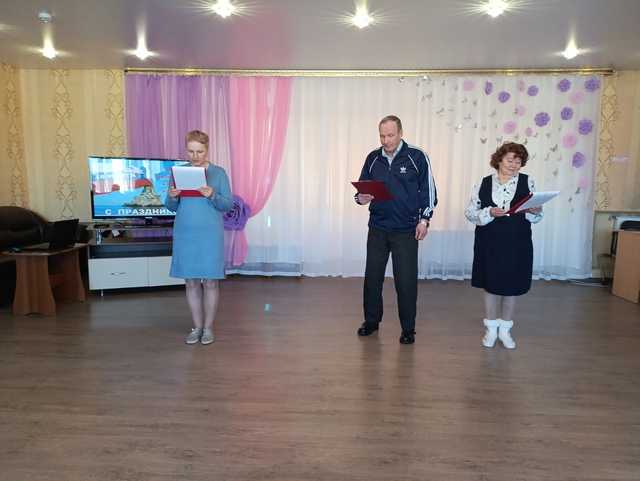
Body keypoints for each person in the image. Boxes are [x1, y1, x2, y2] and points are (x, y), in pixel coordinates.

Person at [355, 115, 437, 344]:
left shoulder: (417, 157)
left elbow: (429, 192)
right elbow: (361, 192)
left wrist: (424, 220)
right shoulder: (373, 158)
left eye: (390, 135)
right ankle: (371, 322)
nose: (386, 140)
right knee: (372, 278)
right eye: (382, 136)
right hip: (378, 228)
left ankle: (408, 329)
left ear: (400, 133)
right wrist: (361, 198)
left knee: (406, 282)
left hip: (406, 230)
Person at [464, 142, 543, 349]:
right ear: (499, 160)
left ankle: (505, 331)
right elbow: (470, 213)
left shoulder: (528, 181)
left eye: (518, 161)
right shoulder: (483, 183)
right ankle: (491, 330)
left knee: (511, 287)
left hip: (518, 242)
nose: (514, 165)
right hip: (489, 242)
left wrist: (535, 211)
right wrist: (489, 212)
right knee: (491, 285)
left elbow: (536, 215)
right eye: (510, 160)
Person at [166, 130, 233, 345]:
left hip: (210, 234)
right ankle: (197, 327)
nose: (195, 156)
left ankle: (208, 328)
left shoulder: (219, 173)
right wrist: (172, 197)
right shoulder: (178, 173)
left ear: (207, 149)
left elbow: (228, 205)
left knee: (211, 282)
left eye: (200, 151)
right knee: (191, 282)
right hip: (185, 233)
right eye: (191, 151)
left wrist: (212, 194)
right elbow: (170, 206)